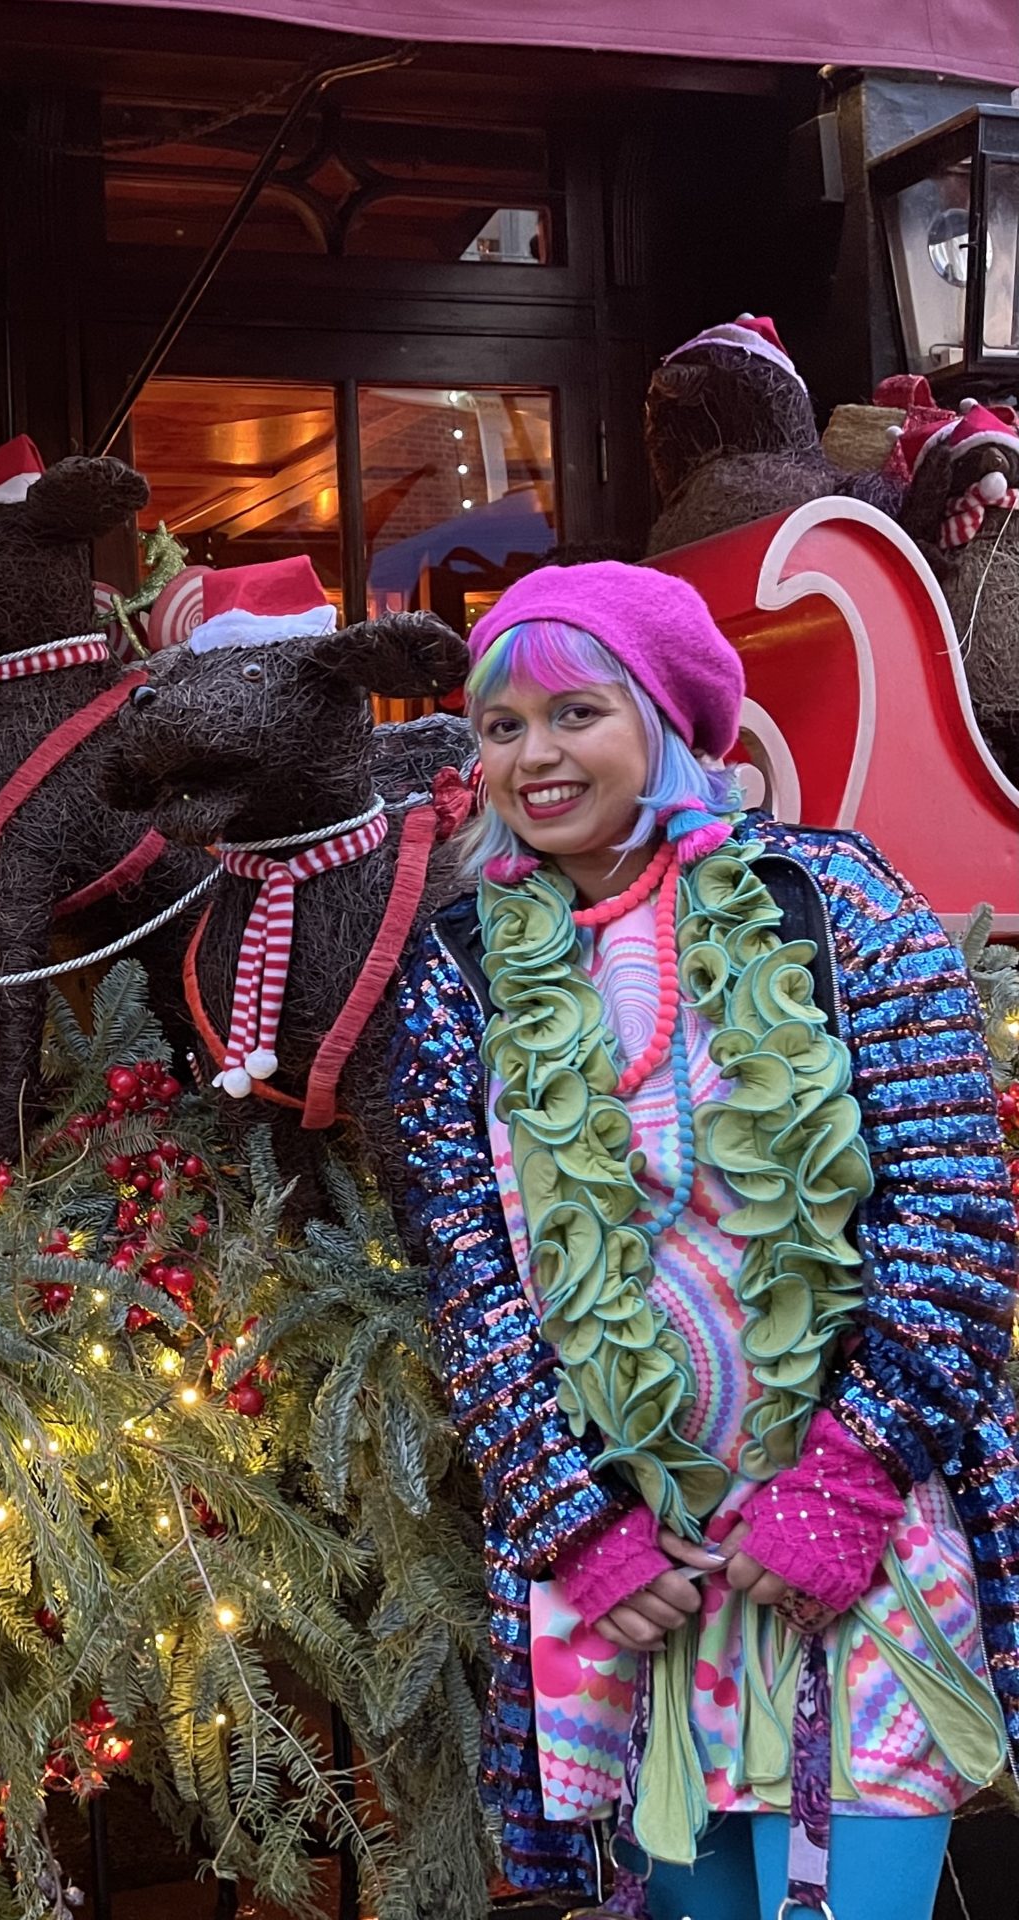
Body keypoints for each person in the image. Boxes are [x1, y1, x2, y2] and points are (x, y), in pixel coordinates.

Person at [386, 560, 1019, 1920]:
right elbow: (474, 1292)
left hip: (864, 1538)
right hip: (649, 1575)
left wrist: (844, 1488)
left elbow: (953, 1224)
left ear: (664, 719)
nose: (534, 756)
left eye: (574, 714)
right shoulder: (457, 974)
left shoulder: (833, 902)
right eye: (501, 728)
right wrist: (577, 1527)